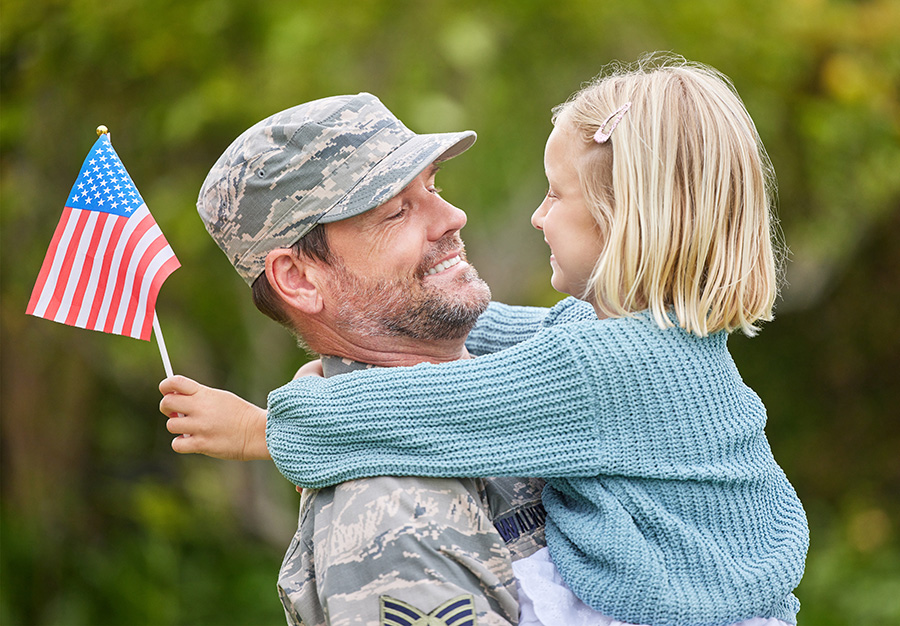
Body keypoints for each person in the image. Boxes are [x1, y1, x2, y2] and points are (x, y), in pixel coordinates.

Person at [243, 57, 810, 626]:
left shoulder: (598, 367)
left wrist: (265, 428)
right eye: (396, 211)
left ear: (622, 222)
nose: (536, 217)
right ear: (297, 277)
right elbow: (493, 327)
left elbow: (434, 406)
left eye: (555, 196)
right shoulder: (648, 345)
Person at [160, 93, 556, 625]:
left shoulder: (523, 369)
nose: (452, 216)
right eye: (396, 210)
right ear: (299, 279)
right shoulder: (391, 513)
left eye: (433, 187)